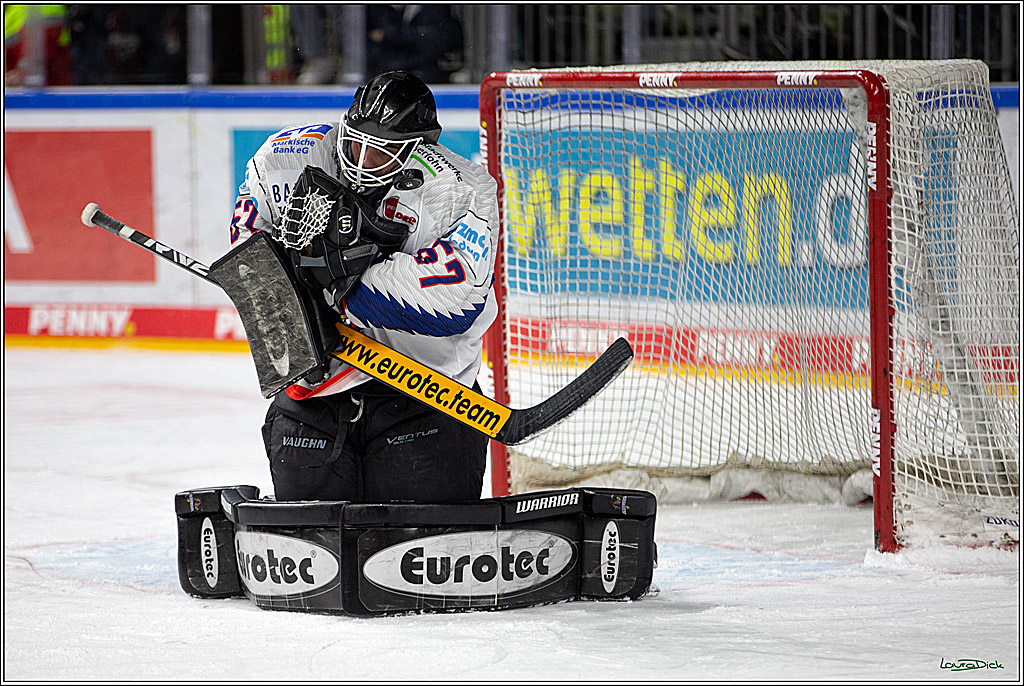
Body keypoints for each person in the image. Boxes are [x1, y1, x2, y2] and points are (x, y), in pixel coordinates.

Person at [229, 70, 497, 504]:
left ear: (415, 151)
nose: (359, 161)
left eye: (378, 154)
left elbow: (457, 297)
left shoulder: (459, 190)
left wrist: (344, 278)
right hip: (313, 398)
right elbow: (248, 255)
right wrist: (291, 302)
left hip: (425, 399)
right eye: (353, 144)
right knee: (309, 550)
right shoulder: (285, 157)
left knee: (420, 545)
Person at [366, 5, 463, 84]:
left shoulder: (435, 8)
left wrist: (390, 36)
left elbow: (439, 41)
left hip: (427, 77)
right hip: (385, 77)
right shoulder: (377, 10)